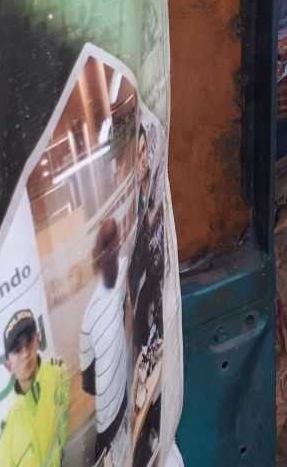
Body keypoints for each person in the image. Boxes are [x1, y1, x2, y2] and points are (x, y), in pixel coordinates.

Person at [127, 124, 165, 466]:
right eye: (137, 154)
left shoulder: (154, 203)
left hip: (155, 322)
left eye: (144, 152)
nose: (142, 159)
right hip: (141, 325)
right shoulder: (129, 213)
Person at [80, 218, 130, 465]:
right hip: (125, 395)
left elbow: (88, 384)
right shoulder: (126, 266)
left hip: (107, 414)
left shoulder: (89, 315)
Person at [0, 309, 70, 467]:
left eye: (28, 341)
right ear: (8, 366)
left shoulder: (59, 374)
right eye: (17, 350)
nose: (25, 354)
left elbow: (64, 426)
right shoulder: (7, 431)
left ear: (38, 339)